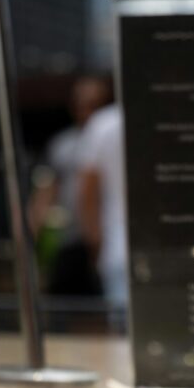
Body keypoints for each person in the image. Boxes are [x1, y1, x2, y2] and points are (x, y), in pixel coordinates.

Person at [31, 77, 110, 294]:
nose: (86, 112)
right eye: (80, 105)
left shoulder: (113, 139)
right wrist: (34, 233)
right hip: (69, 237)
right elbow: (46, 189)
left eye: (94, 105)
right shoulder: (62, 144)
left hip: (106, 235)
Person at [78, 102, 128, 307]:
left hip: (118, 246)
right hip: (120, 243)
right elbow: (88, 190)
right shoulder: (104, 123)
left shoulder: (103, 123)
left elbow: (86, 190)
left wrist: (94, 240)